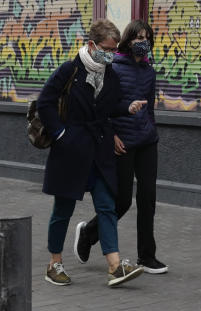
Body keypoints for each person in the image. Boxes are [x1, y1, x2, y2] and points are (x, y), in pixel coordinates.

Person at [39, 19, 148, 287]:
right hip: (71, 150)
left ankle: (114, 266)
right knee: (62, 209)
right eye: (106, 49)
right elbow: (45, 102)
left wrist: (127, 108)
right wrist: (61, 135)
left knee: (107, 206)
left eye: (113, 50)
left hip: (99, 150)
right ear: (92, 45)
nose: (110, 55)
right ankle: (54, 263)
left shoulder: (109, 73)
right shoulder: (70, 70)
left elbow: (109, 107)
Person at [74, 19, 167, 274]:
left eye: (147, 38)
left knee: (148, 198)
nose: (143, 43)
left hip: (147, 141)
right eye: (138, 38)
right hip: (122, 142)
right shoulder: (112, 67)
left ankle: (147, 257)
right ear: (127, 41)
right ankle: (88, 233)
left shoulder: (149, 71)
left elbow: (150, 106)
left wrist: (151, 130)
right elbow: (101, 106)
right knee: (123, 200)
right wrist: (111, 134)